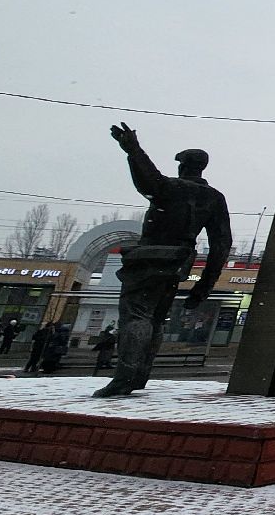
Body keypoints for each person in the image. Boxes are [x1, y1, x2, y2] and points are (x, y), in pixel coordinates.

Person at [98, 122, 232, 398]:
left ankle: (125, 377)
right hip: (177, 264)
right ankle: (139, 376)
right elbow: (221, 245)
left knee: (136, 316)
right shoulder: (214, 198)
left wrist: (133, 150)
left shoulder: (171, 188)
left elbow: (148, 181)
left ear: (182, 167)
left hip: (150, 258)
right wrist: (203, 287)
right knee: (156, 318)